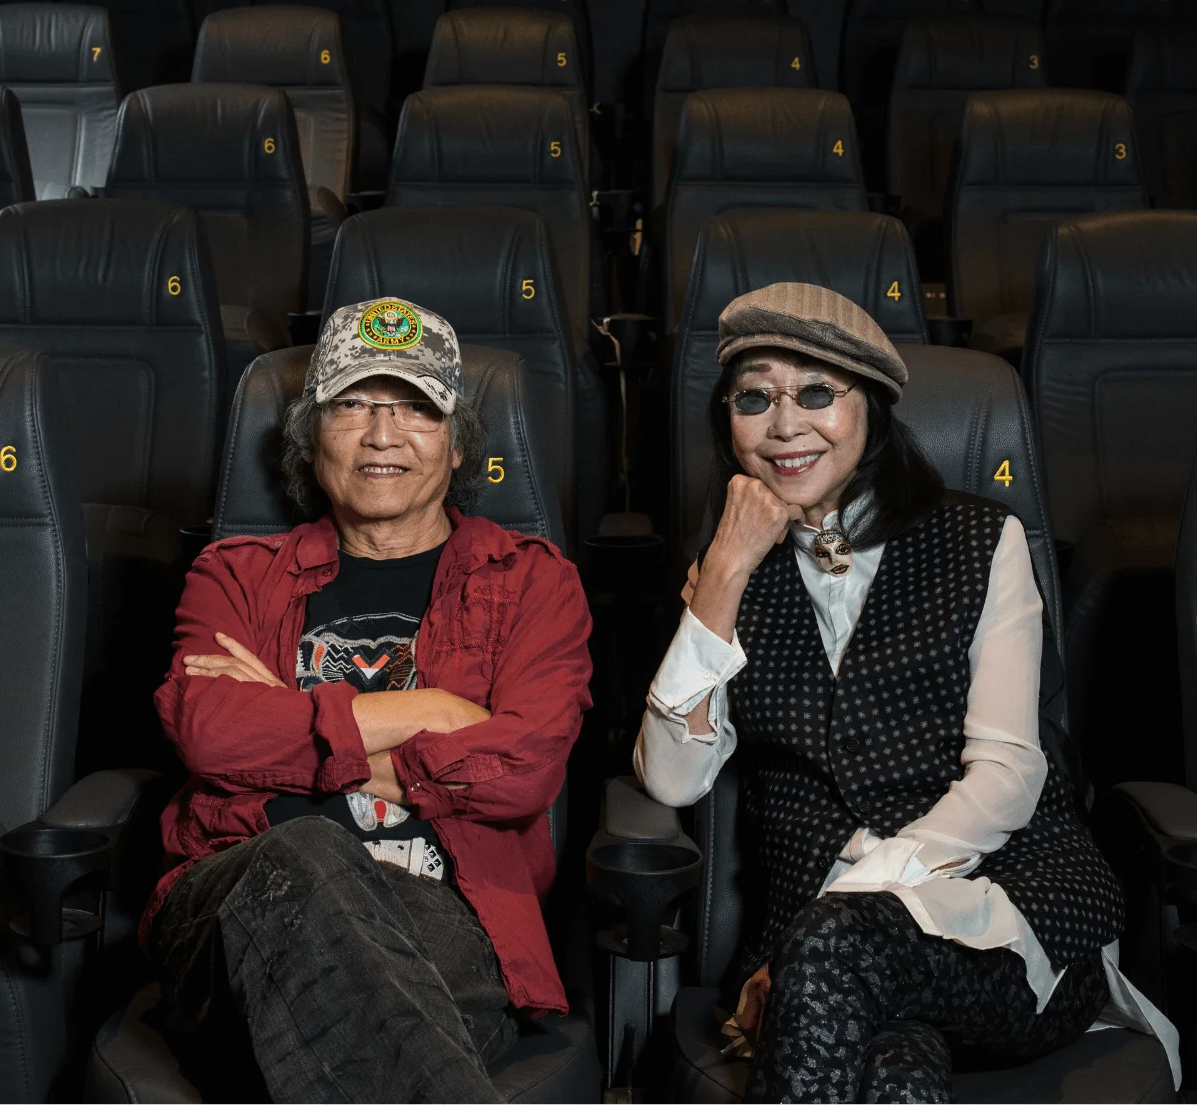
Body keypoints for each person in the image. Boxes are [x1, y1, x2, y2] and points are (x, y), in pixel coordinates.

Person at [635, 283, 1178, 1102]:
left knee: (835, 957)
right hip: (829, 949)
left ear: (872, 410)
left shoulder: (980, 540)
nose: (785, 425)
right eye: (755, 398)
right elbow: (674, 780)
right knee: (893, 1077)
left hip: (1006, 912)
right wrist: (725, 572)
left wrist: (848, 904)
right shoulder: (725, 572)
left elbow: (1009, 774)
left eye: (817, 392)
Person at [145, 298, 592, 1103]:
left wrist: (289, 722)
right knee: (308, 855)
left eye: (417, 408)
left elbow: (521, 772)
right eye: (351, 405)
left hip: (444, 909)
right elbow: (211, 735)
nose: (383, 435)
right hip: (233, 898)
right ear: (310, 437)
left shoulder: (531, 581)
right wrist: (437, 713)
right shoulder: (234, 576)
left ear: (457, 444)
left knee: (329, 987)